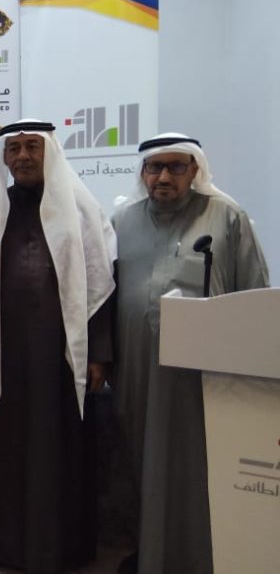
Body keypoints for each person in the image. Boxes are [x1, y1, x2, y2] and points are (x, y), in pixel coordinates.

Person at [113, 133, 269, 574]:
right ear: (143, 172)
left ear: (195, 170)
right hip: (137, 368)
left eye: (176, 167)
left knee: (195, 463)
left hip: (202, 374)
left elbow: (254, 294)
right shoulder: (122, 220)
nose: (163, 177)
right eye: (154, 167)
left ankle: (199, 556)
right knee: (139, 459)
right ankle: (150, 551)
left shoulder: (226, 216)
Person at [0, 119, 116, 573]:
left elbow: (101, 285)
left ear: (49, 151)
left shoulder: (81, 208)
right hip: (3, 352)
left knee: (56, 449)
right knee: (1, 451)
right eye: (14, 149)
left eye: (32, 147)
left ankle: (55, 551)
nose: (23, 156)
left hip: (60, 354)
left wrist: (99, 354)